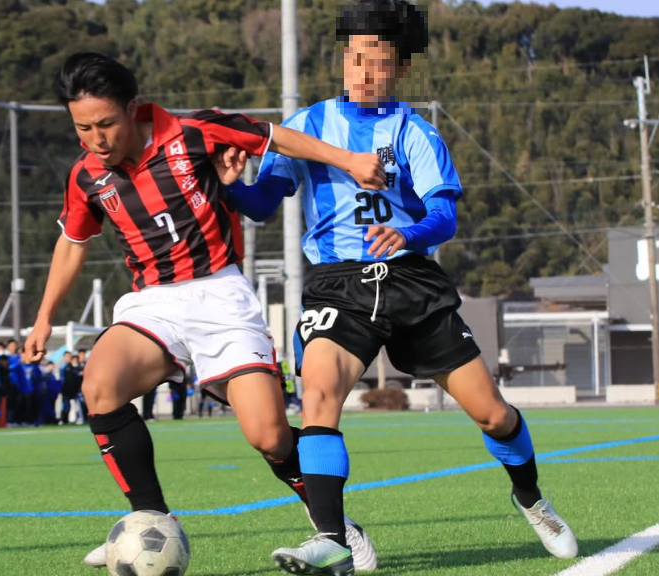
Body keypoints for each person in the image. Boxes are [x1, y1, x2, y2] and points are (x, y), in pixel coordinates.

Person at [222, 2, 578, 573]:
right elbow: (263, 204)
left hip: (411, 280)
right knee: (319, 394)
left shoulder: (415, 132)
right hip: (338, 285)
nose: (364, 72)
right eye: (355, 58)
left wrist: (408, 233)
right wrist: (230, 188)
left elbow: (444, 215)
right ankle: (333, 538)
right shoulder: (308, 126)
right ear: (343, 59)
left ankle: (531, 497)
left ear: (402, 69)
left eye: (379, 62)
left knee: (493, 415)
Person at [21, 52, 385, 569]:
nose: (96, 139)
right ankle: (148, 519)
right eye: (83, 128)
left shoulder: (194, 132)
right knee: (99, 387)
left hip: (221, 296)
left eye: (105, 123)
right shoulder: (86, 175)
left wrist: (348, 161)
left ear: (132, 107)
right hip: (152, 302)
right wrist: (44, 317)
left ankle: (337, 526)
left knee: (270, 436)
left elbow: (276, 137)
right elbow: (73, 243)